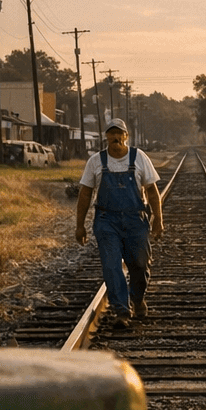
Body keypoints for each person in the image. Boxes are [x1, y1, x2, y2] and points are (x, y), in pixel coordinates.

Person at [75, 118, 163, 329]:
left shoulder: (139, 157)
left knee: (140, 265)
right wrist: (80, 225)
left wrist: (158, 219)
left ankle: (138, 298)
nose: (115, 137)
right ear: (106, 136)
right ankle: (122, 310)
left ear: (126, 136)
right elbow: (85, 194)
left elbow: (152, 191)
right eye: (111, 133)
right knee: (112, 266)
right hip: (107, 221)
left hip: (135, 220)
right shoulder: (96, 161)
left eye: (119, 133)